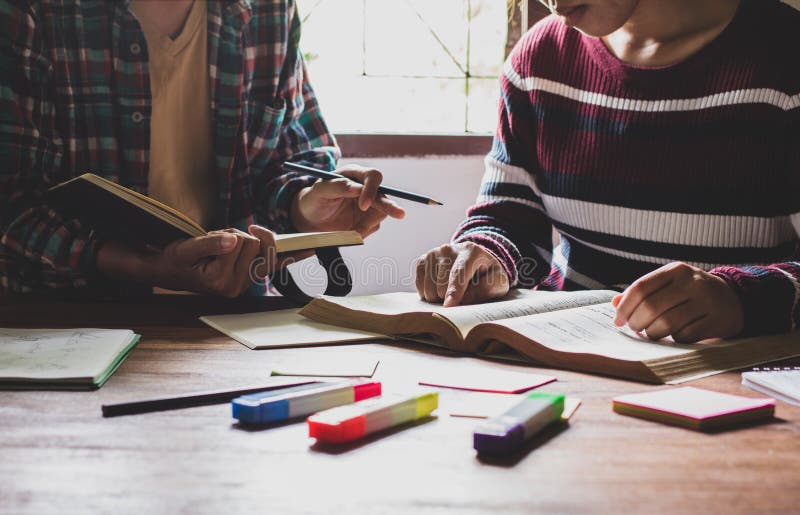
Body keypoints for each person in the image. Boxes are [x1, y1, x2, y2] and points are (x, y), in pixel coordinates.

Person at [416, 0, 799, 342]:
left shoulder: (785, 57)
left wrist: (739, 298)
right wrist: (485, 254)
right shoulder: (539, 58)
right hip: (559, 359)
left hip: (727, 385)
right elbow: (508, 218)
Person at [0, 0, 404, 297]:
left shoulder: (270, 9)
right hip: (68, 321)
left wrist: (306, 205)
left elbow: (294, 158)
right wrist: (148, 267)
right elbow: (12, 204)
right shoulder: (36, 12)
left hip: (228, 322)